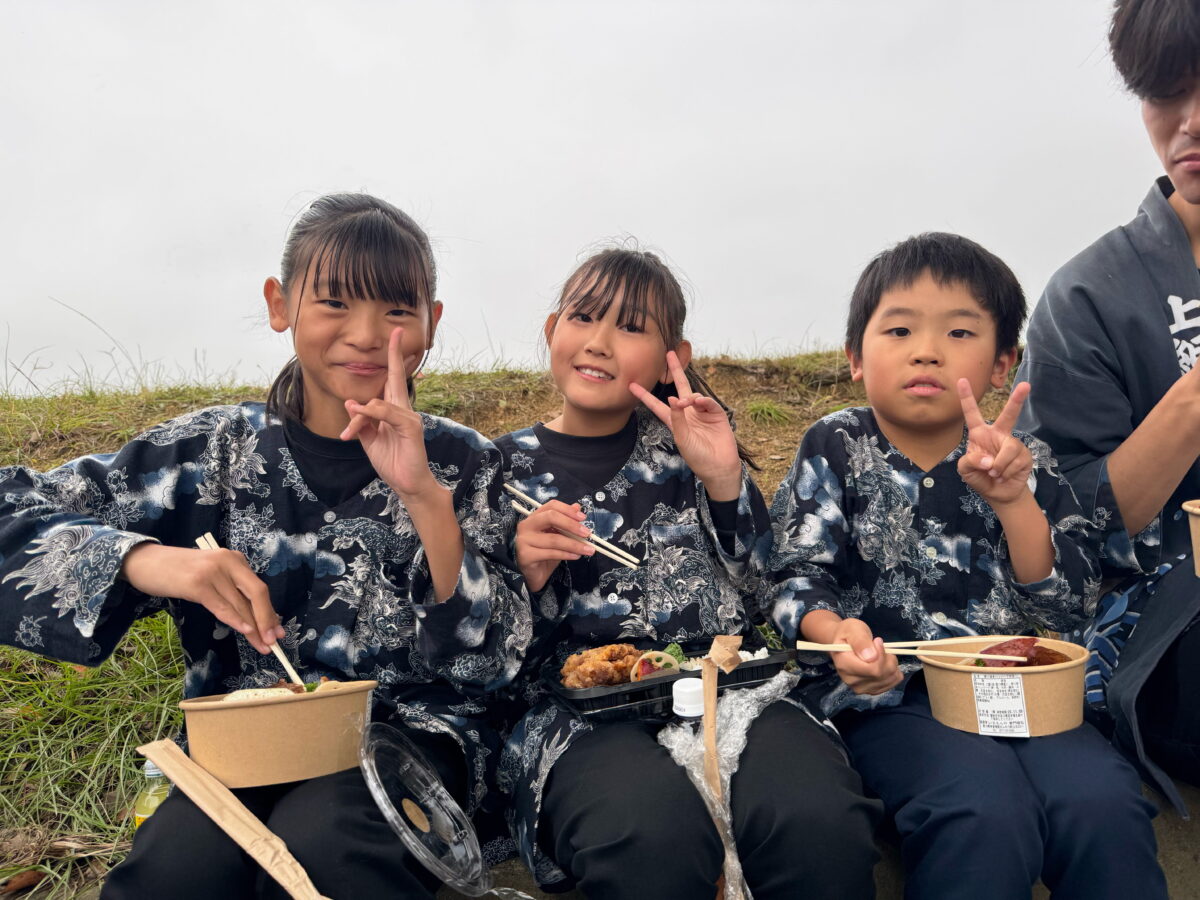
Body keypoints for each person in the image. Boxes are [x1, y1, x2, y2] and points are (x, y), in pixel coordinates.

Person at [0, 193, 529, 899]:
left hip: (412, 748)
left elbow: (491, 662)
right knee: (171, 873)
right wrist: (150, 560)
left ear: (431, 322)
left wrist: (426, 500)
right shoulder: (205, 454)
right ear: (280, 305)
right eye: (335, 302)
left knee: (328, 845)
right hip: (242, 752)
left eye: (397, 310)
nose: (368, 334)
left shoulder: (466, 464)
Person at [763, 232, 1166, 899]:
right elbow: (794, 580)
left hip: (1023, 697)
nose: (925, 350)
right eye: (898, 329)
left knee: (1103, 804)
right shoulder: (835, 442)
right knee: (981, 808)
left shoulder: (1023, 458)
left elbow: (1063, 611)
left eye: (958, 331)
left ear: (1003, 363)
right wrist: (841, 637)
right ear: (856, 357)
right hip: (890, 701)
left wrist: (1013, 502)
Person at [494, 247, 881, 899]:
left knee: (818, 817)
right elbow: (472, 657)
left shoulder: (692, 448)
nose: (600, 343)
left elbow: (771, 593)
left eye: (631, 327)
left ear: (674, 352)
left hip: (734, 690)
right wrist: (523, 575)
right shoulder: (496, 472)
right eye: (584, 317)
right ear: (552, 328)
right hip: (576, 718)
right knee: (646, 835)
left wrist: (726, 480)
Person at [1016, 0, 1200, 812]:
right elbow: (1067, 526)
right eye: (1167, 94)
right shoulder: (1088, 296)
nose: (1190, 122)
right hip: (1165, 643)